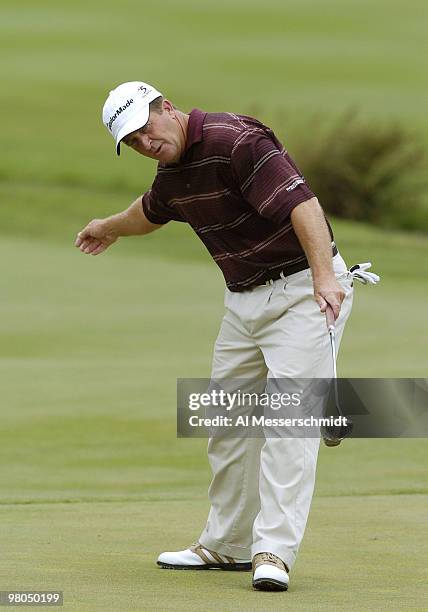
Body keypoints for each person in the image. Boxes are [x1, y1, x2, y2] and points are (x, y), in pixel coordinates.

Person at [75, 80, 355, 593]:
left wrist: (324, 278)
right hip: (243, 300)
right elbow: (150, 211)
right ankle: (226, 545)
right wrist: (110, 226)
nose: (144, 143)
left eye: (144, 128)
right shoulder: (173, 173)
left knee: (286, 427)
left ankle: (273, 551)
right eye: (131, 142)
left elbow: (304, 206)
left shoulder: (234, 140)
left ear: (168, 108)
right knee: (227, 421)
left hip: (300, 291)